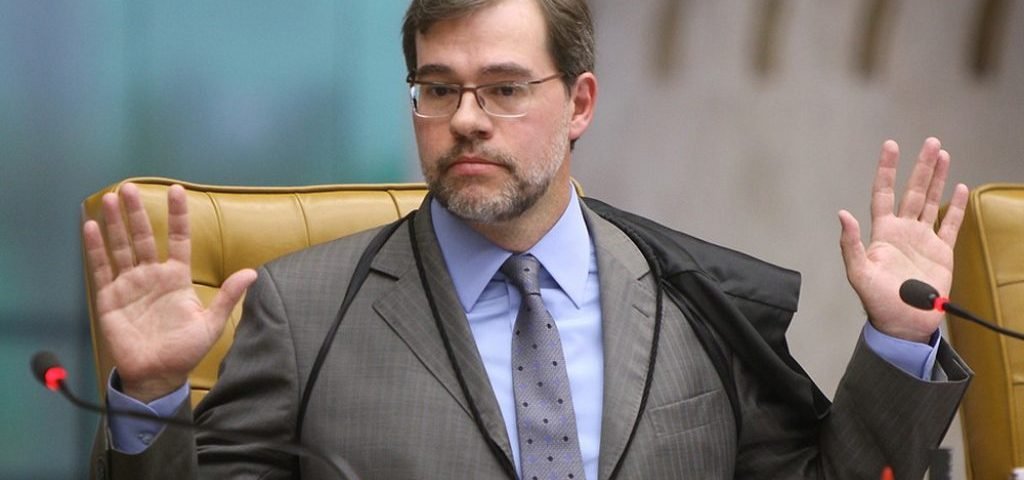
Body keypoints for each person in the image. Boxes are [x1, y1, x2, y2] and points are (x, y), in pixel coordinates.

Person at [85, 0, 972, 478]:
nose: (466, 119)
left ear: (580, 103)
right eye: (438, 89)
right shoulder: (301, 312)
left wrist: (899, 343)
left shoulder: (698, 299)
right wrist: (152, 398)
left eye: (505, 89)